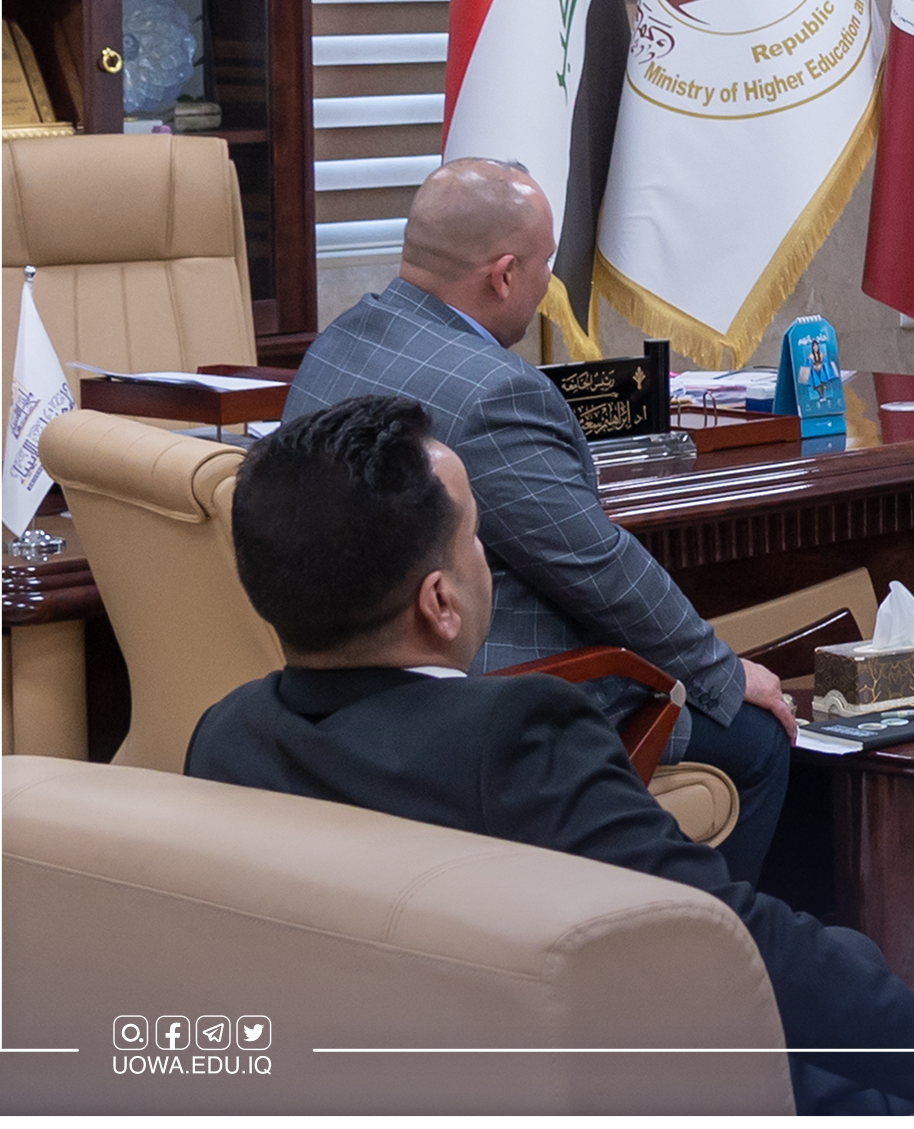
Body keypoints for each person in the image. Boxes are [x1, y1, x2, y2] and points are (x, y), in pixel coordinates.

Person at [187, 395, 914, 1114]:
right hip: (681, 1092)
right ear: (440, 601)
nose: (487, 558)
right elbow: (729, 942)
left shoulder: (224, 738)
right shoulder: (516, 736)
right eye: (476, 540)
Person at [284, 158, 791, 885]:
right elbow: (598, 568)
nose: (548, 283)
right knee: (758, 737)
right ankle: (707, 946)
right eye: (546, 264)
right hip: (488, 697)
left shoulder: (336, 344)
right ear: (503, 276)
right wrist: (722, 673)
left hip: (345, 696)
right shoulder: (495, 394)